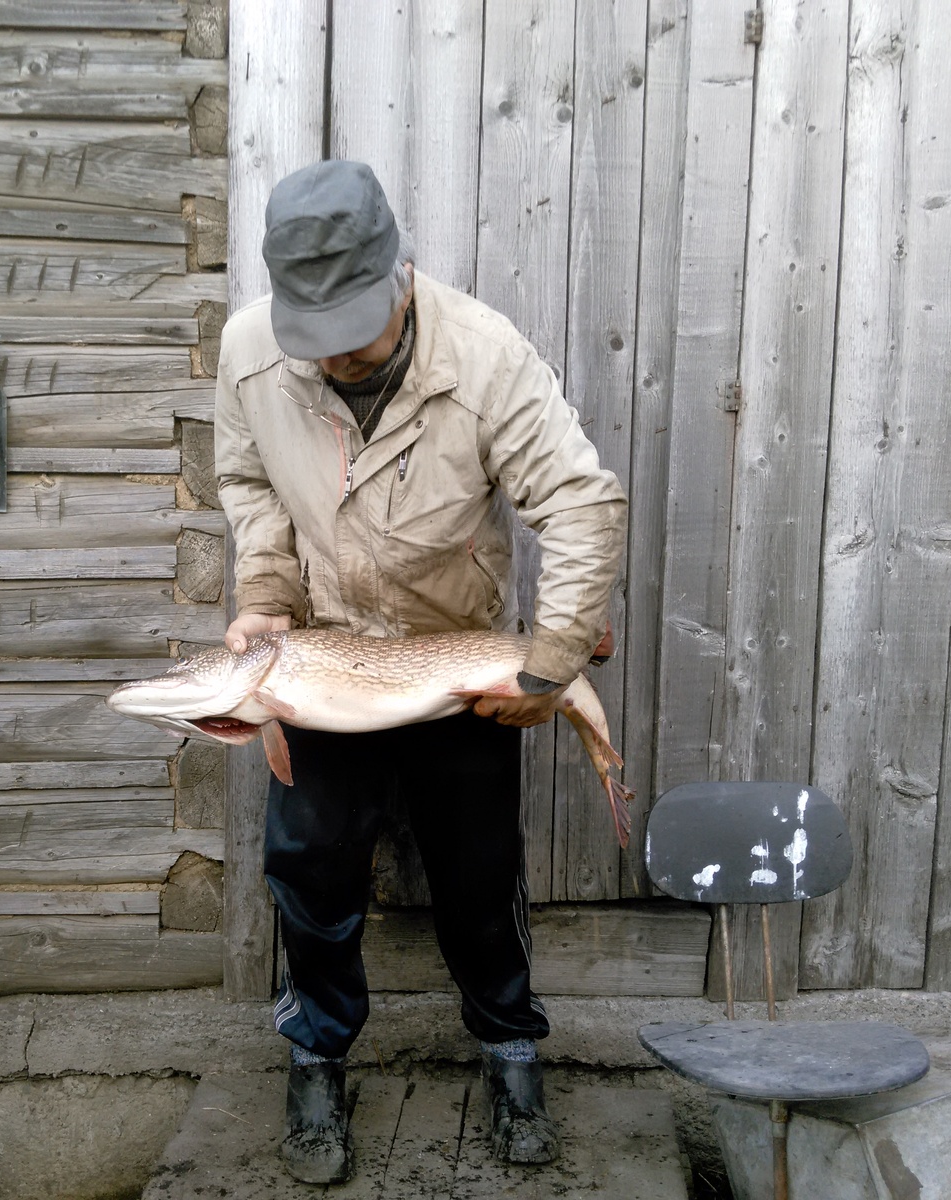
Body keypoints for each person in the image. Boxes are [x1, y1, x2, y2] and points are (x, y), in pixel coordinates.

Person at [213, 160, 627, 1183]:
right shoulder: (247, 350)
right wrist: (264, 591)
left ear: (399, 273)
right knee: (308, 873)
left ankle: (512, 1049)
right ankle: (314, 1058)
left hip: (456, 661)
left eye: (357, 323)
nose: (339, 354)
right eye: (318, 332)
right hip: (322, 653)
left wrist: (550, 663)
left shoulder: (485, 356)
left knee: (479, 879)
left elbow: (578, 505)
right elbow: (247, 478)